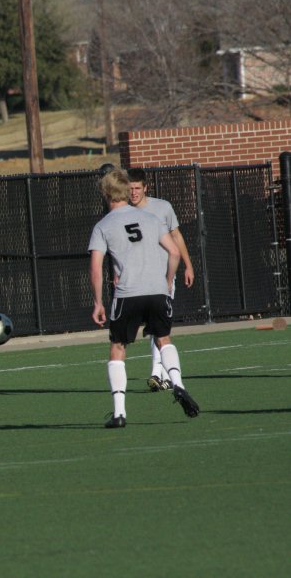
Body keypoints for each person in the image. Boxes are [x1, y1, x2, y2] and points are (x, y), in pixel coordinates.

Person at [88, 169, 200, 428]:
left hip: (128, 294)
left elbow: (96, 268)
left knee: (118, 347)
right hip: (157, 291)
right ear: (128, 191)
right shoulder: (150, 218)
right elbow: (173, 252)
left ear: (106, 193)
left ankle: (119, 413)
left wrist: (98, 302)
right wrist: (168, 279)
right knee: (164, 339)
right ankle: (179, 386)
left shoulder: (103, 225)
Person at [127, 169, 195, 392]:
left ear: (146, 187)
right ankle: (163, 374)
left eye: (137, 188)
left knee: (159, 324)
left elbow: (176, 236)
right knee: (153, 325)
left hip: (164, 275)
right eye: (130, 188)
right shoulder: (123, 212)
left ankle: (158, 373)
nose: (134, 192)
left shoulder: (162, 207)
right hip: (137, 277)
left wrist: (188, 265)